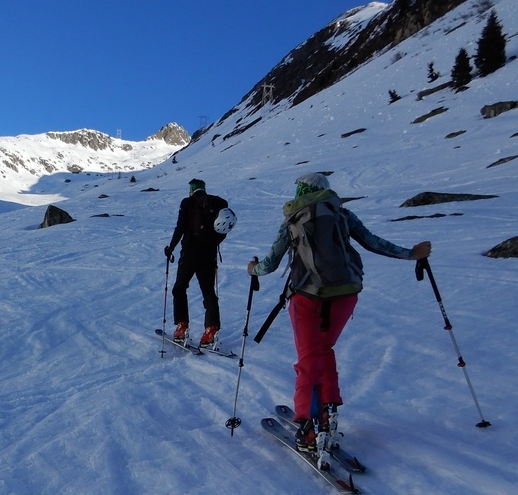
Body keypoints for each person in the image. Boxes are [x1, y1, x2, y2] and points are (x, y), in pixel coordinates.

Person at [246, 173, 431, 454]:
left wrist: (252, 269)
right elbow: (373, 242)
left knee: (308, 359)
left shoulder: (293, 220)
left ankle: (309, 426)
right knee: (325, 348)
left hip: (307, 298)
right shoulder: (342, 214)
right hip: (346, 294)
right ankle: (329, 410)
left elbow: (270, 264)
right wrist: (411, 253)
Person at [164, 178, 232, 346]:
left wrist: (170, 247)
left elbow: (180, 227)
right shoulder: (214, 204)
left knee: (179, 288)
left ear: (192, 189)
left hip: (190, 252)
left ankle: (182, 326)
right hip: (209, 253)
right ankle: (211, 330)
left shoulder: (188, 203)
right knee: (208, 290)